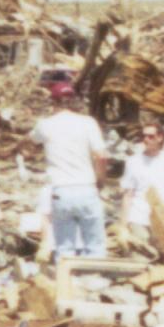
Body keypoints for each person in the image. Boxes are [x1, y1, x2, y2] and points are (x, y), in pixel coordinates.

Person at [37, 99, 111, 261]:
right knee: (94, 244)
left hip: (61, 189)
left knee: (64, 247)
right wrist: (100, 180)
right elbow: (101, 156)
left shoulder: (45, 124)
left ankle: (66, 282)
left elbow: (31, 141)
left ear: (53, 104)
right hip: (86, 187)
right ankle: (94, 280)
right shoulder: (88, 122)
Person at [119, 123, 164, 242]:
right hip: (138, 217)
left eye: (151, 136)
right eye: (144, 136)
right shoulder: (133, 161)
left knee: (162, 255)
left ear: (160, 138)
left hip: (163, 218)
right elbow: (128, 195)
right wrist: (123, 226)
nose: (146, 139)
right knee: (141, 254)